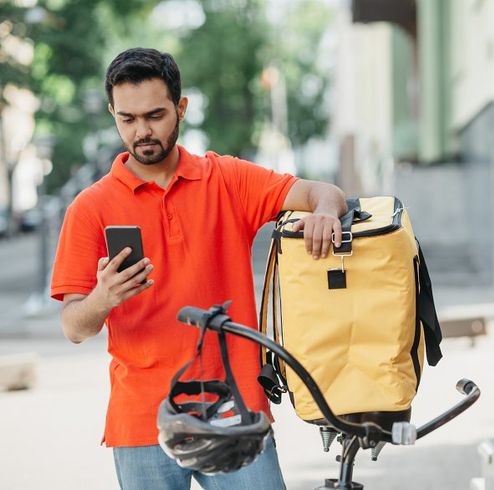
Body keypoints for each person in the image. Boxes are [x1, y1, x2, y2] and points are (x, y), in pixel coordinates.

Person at [50, 47, 347, 490]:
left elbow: (323, 192)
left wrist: (324, 211)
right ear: (113, 112)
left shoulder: (226, 179)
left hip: (237, 409)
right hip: (142, 419)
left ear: (181, 108)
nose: (142, 131)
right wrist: (104, 297)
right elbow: (74, 326)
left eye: (155, 115)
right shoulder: (89, 207)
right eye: (127, 119)